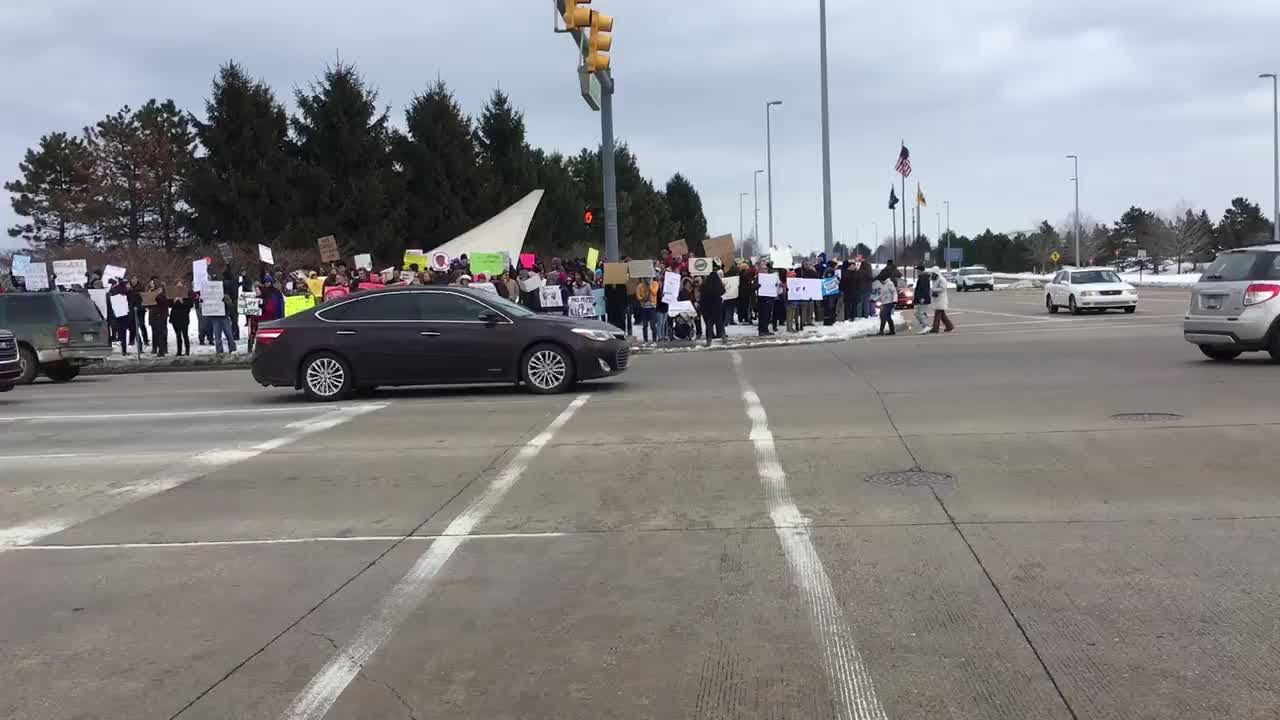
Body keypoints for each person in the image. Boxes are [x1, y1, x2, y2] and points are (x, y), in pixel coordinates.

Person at [700, 268, 725, 346]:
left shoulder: (704, 285)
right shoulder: (718, 285)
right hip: (717, 307)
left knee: (709, 325)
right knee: (719, 323)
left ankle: (709, 340)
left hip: (707, 308)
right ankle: (723, 337)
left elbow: (702, 296)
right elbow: (723, 292)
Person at [146, 278, 170, 356]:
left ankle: (162, 350)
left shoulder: (161, 293)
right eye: (150, 284)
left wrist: (154, 296)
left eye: (152, 284)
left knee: (160, 333)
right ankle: (155, 348)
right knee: (155, 332)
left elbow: (162, 302)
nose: (151, 285)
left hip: (160, 316)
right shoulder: (151, 292)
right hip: (153, 315)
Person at [170, 280, 194, 357]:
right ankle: (179, 351)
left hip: (184, 317)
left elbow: (190, 304)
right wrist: (174, 301)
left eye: (180, 284)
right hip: (175, 317)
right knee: (178, 335)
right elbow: (169, 304)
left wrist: (182, 301)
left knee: (185, 335)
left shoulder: (187, 293)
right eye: (177, 284)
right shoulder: (173, 293)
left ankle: (187, 351)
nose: (179, 285)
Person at [930, 269, 956, 333]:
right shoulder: (935, 279)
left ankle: (935, 328)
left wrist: (935, 290)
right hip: (937, 299)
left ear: (936, 272)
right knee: (942, 315)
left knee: (937, 314)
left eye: (933, 273)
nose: (932, 274)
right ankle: (949, 326)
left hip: (941, 299)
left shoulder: (941, 279)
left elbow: (943, 288)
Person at [635, 276, 660, 342]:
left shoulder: (655, 284)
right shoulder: (640, 286)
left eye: (650, 278)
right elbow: (638, 296)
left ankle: (654, 339)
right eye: (647, 278)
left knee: (653, 324)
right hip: (644, 307)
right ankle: (645, 340)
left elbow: (654, 292)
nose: (648, 279)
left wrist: (649, 286)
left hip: (652, 307)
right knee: (645, 325)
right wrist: (643, 298)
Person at [876, 269, 898, 336]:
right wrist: (875, 299)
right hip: (885, 302)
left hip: (890, 302)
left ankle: (881, 331)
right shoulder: (883, 285)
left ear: (883, 279)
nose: (880, 282)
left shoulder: (890, 284)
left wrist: (894, 301)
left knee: (883, 315)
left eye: (880, 280)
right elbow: (882, 294)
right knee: (887, 316)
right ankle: (892, 331)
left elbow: (894, 292)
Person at [912, 264, 933, 335]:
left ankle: (925, 326)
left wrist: (922, 298)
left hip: (923, 299)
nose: (917, 271)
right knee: (918, 313)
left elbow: (923, 289)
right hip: (921, 298)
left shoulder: (923, 278)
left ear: (920, 270)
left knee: (920, 313)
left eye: (917, 270)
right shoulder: (922, 277)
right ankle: (924, 326)